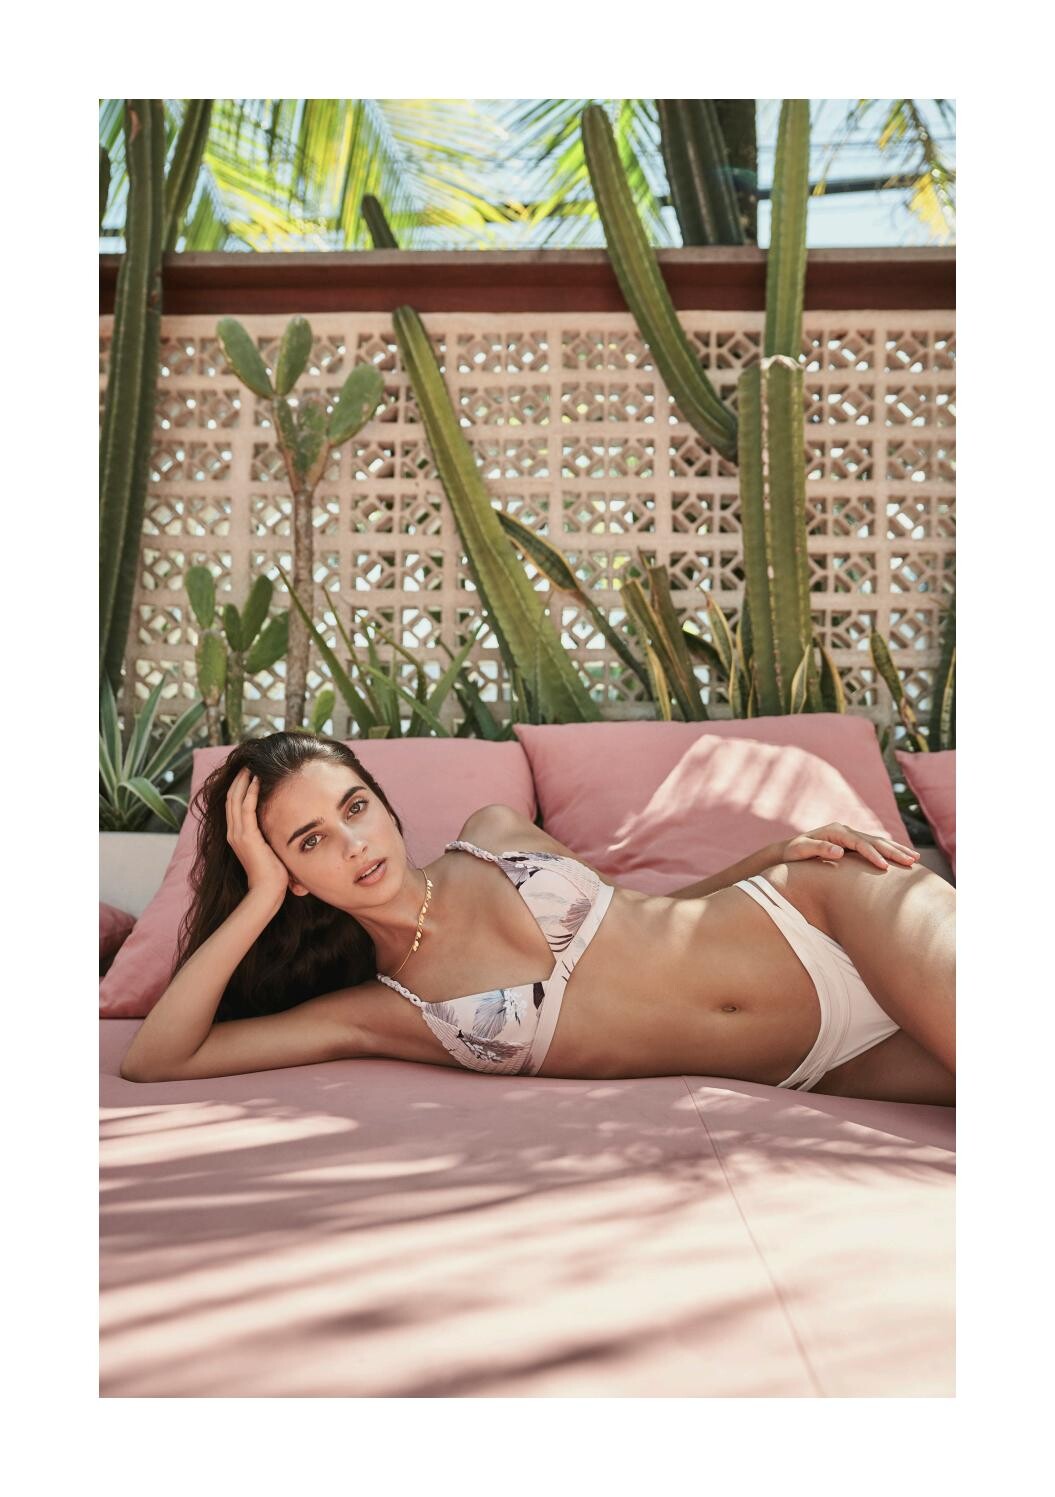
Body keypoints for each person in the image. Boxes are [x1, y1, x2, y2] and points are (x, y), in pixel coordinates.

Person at [119, 732, 955, 1106]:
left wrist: (774, 855)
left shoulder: (491, 835)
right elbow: (159, 1058)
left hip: (827, 911)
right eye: (310, 841)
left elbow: (649, 917)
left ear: (381, 800)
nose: (353, 842)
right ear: (291, 875)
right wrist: (259, 893)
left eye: (355, 806)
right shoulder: (378, 1013)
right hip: (822, 1065)